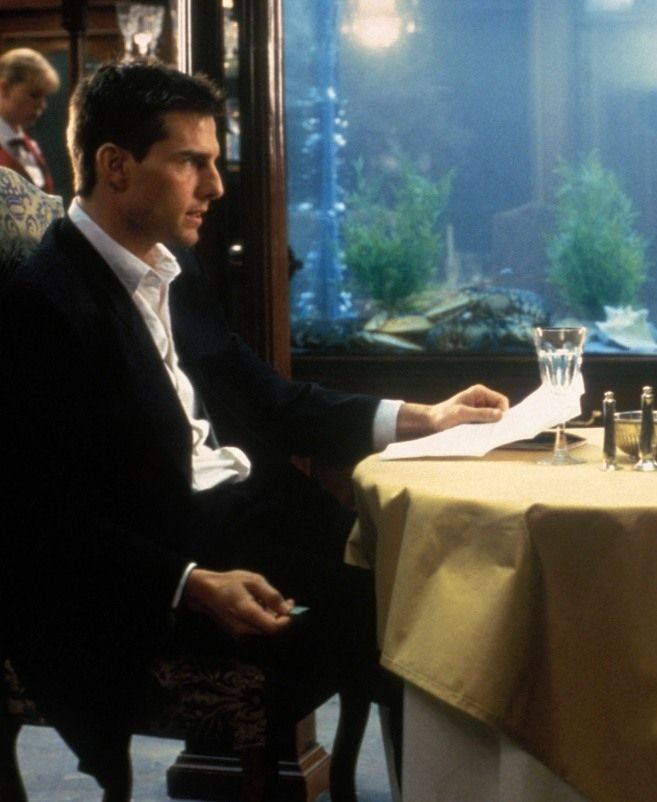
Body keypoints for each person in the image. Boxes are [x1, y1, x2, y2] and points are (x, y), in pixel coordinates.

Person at [0, 60, 508, 800]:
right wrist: (192, 584)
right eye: (191, 162)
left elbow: (270, 399)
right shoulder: (42, 305)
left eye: (214, 163)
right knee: (422, 624)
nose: (215, 187)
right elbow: (39, 514)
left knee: (446, 582)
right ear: (116, 166)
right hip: (155, 575)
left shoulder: (170, 268)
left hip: (249, 519)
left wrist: (421, 418)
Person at [0, 47, 59, 193]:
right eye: (34, 95)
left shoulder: (30, 145)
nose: (42, 105)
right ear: (4, 88)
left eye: (44, 96)